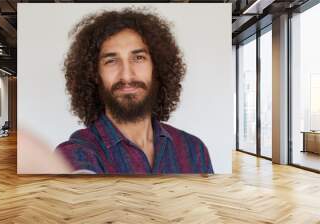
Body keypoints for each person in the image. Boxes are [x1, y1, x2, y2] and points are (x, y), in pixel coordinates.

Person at [56, 8, 213, 174]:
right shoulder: (76, 153)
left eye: (138, 58)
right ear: (94, 74)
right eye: (111, 61)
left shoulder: (194, 150)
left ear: (156, 67)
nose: (126, 75)